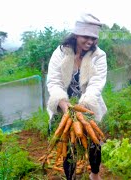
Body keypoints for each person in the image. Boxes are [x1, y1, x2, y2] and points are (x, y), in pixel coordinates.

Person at [46, 13, 107, 180]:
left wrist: (83, 107)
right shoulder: (60, 53)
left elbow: (96, 84)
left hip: (88, 106)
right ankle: (71, 177)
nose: (90, 41)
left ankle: (94, 174)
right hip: (64, 107)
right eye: (86, 36)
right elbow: (54, 82)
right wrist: (64, 104)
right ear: (76, 34)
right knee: (68, 145)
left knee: (94, 143)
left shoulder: (99, 56)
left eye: (93, 38)